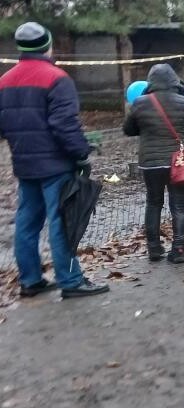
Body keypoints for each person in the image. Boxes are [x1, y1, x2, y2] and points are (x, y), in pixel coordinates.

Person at [0, 22, 108, 298]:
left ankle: (30, 280)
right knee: (62, 222)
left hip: (24, 165)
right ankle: (70, 280)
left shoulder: (4, 82)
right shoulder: (57, 78)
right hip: (56, 166)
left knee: (26, 223)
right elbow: (64, 124)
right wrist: (81, 153)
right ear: (47, 45)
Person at [122, 63, 184, 263]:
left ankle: (154, 249)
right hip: (178, 161)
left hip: (150, 162)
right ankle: (178, 250)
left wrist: (146, 127)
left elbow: (128, 130)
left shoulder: (139, 103)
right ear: (173, 80)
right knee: (178, 205)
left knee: (153, 203)